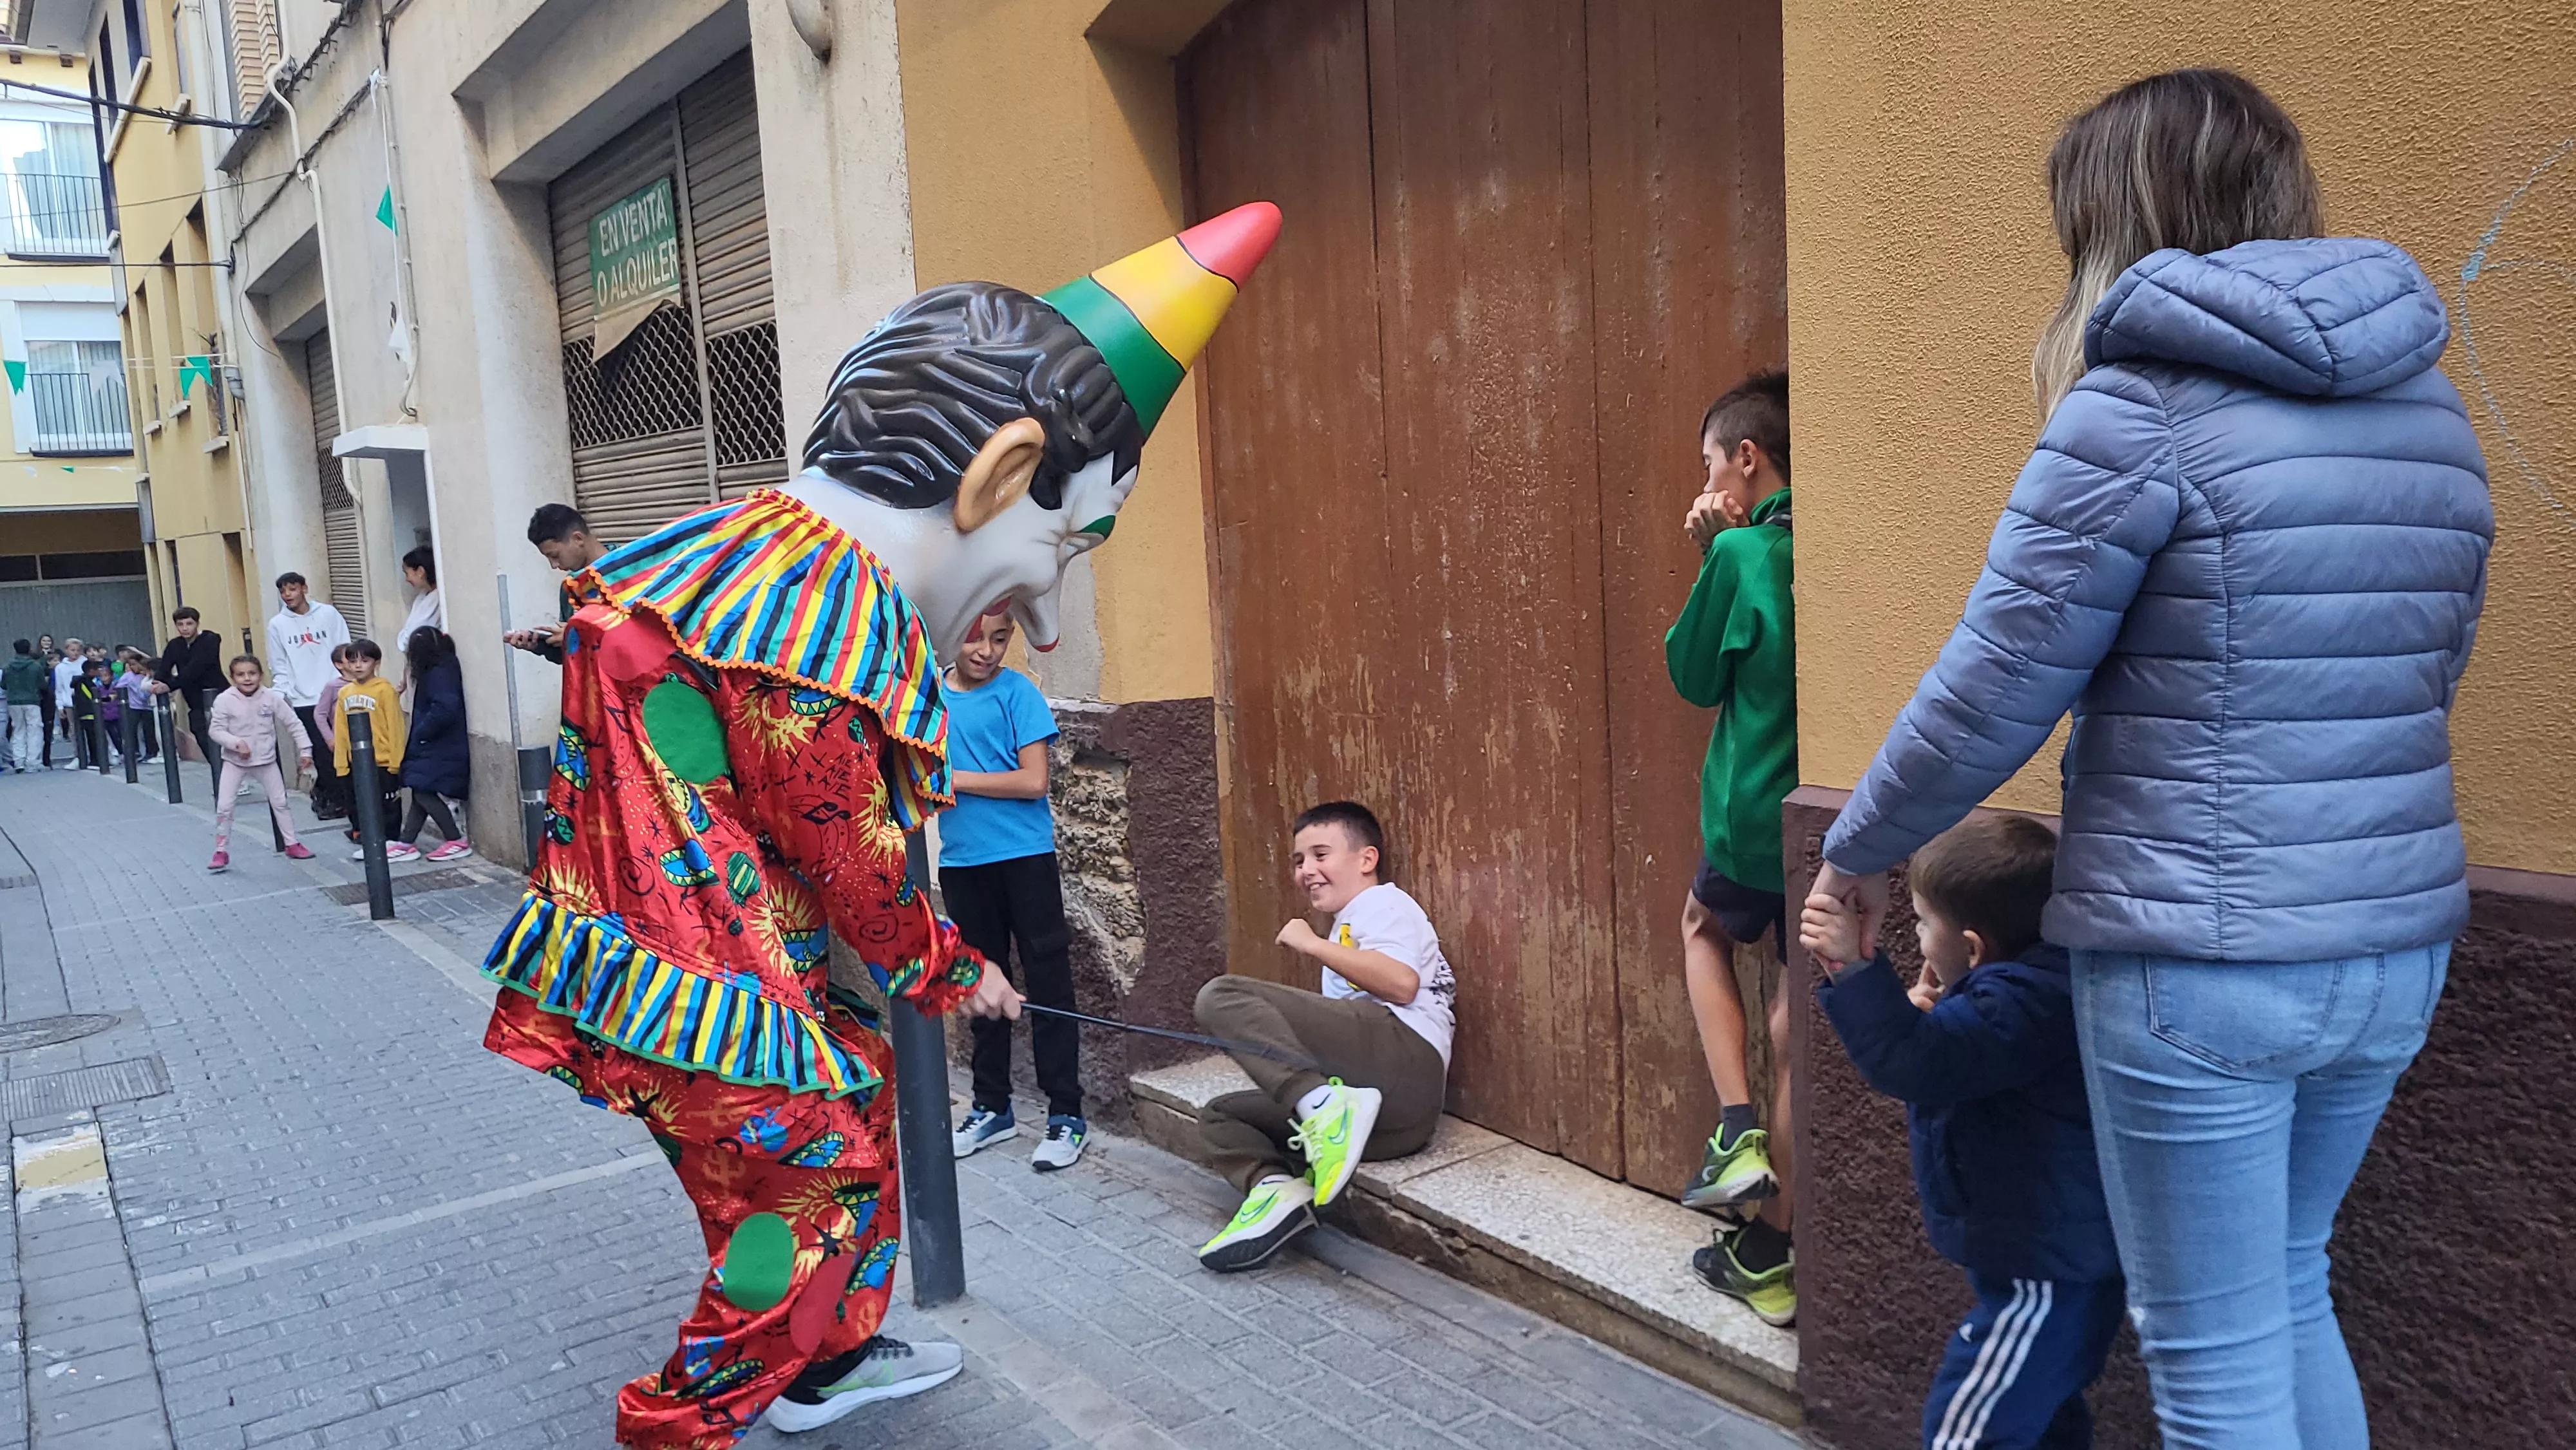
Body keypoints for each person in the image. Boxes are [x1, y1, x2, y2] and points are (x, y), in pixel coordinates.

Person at [475, 203, 1275, 1445]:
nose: (1048, 612)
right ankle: (682, 1418)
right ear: (1000, 475)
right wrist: (957, 968)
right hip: (693, 969)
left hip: (676, 950)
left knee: (825, 1133)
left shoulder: (741, 546)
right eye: (1061, 544)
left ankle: (830, 1358)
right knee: (824, 1168)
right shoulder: (824, 618)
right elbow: (848, 845)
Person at [1809, 70, 2491, 1450]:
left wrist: (1859, 844)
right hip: (2389, 942)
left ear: (2116, 223)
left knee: (2211, 1362)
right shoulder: (2428, 414)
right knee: (2290, 1293)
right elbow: (2428, 667)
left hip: (2200, 962)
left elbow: (1991, 691)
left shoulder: (2133, 411)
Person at [1804, 815, 2122, 1441]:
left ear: (1974, 946)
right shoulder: (2042, 983)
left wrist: (1850, 968)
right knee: (2043, 1416)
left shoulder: (2016, 1005)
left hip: (2044, 1273)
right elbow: (1959, 1056)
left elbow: (1912, 1063)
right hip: (2059, 1256)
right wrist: (1941, 1016)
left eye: (1922, 923)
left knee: (1968, 1426)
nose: (1917, 936)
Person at [1665, 368, 1801, 1322]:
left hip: (1754, 813)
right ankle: (1773, 1252)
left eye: (1711, 461)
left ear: (1744, 460)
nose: (1709, 476)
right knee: (1797, 1025)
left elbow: (1691, 675)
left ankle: (1737, 1133)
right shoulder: (1830, 536)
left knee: (1701, 926)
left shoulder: (1746, 552)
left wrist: (1717, 555)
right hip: (1838, 817)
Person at [1192, 801, 1456, 1273]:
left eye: (1320, 855)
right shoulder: (1349, 926)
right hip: (1393, 1127)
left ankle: (1323, 1109)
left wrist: (1314, 945)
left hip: (1405, 1063)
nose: (1306, 871)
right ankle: (1278, 1192)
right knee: (1222, 1116)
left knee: (1222, 995)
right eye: (1299, 861)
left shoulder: (1382, 904)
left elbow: (1401, 984)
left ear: (1366, 860)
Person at [940, 609, 1084, 1170]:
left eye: (1000, 638)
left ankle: (1066, 1116)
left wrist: (953, 779)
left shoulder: (1018, 695)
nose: (987, 650)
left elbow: (1033, 781)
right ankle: (991, 1107)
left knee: (1049, 983)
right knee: (979, 986)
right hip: (962, 863)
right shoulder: (930, 698)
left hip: (1025, 860)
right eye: (975, 636)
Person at [205, 655, 316, 871]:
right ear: (233, 677)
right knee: (225, 806)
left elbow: (293, 723)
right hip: (234, 762)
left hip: (266, 760)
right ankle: (221, 850)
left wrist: (306, 750)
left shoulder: (271, 698)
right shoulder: (225, 700)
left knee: (280, 802)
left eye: (252, 673)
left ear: (261, 675)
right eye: (241, 674)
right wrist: (236, 743)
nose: (247, 679)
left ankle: (291, 843)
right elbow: (216, 730)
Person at [267, 572, 351, 817]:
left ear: (304, 588)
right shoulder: (278, 625)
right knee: (321, 751)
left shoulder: (328, 614)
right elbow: (278, 663)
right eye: (283, 592)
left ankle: (331, 794)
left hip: (335, 692)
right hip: (304, 698)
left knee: (341, 749)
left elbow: (344, 647)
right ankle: (334, 799)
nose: (288, 595)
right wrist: (280, 694)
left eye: (292, 589)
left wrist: (347, 681)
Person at [395, 628, 469, 862]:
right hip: (435, 741)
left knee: (423, 790)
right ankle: (407, 842)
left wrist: (423, 732)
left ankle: (455, 839)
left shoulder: (438, 672)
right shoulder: (443, 668)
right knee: (420, 788)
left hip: (438, 742)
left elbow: (445, 707)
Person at [504, 505, 607, 664]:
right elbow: (572, 657)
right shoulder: (571, 588)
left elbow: (644, 641)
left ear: (578, 539)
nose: (554, 565)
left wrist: (579, 636)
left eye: (555, 556)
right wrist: (542, 645)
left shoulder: (633, 572)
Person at [332, 639, 406, 852]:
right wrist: (341, 763)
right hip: (356, 762)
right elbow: (342, 730)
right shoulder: (345, 693)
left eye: (365, 661)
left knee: (387, 804)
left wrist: (395, 762)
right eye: (353, 661)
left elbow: (395, 727)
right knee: (359, 805)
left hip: (382, 761)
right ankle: (367, 841)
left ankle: (391, 842)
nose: (358, 666)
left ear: (377, 663)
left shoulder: (385, 691)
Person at [159, 607, 227, 791]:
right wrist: (158, 682)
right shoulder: (175, 645)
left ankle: (231, 776)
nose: (185, 628)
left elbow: (198, 667)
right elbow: (164, 667)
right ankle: (221, 772)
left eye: (189, 623)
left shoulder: (210, 640)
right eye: (180, 624)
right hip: (195, 700)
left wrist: (171, 685)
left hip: (218, 696)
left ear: (197, 624)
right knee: (201, 733)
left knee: (222, 736)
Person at [3, 640, 44, 774]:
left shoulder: (8, 667)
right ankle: (32, 762)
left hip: (13, 702)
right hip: (32, 700)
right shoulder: (36, 666)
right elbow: (42, 685)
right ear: (29, 649)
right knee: (34, 730)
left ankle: (19, 761)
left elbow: (3, 685)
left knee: (18, 730)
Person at [117, 654, 159, 762]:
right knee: (131, 730)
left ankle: (152, 752)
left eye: (135, 664)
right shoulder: (128, 676)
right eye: (130, 665)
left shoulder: (148, 676)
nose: (133, 667)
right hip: (133, 707)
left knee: (149, 730)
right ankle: (134, 752)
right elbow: (118, 687)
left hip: (148, 707)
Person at [50, 637, 82, 769]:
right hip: (69, 702)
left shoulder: (84, 663)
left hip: (87, 702)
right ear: (66, 650)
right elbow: (60, 687)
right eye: (72, 650)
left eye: (78, 650)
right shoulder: (61, 667)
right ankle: (78, 756)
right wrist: (60, 705)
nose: (75, 653)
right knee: (74, 731)